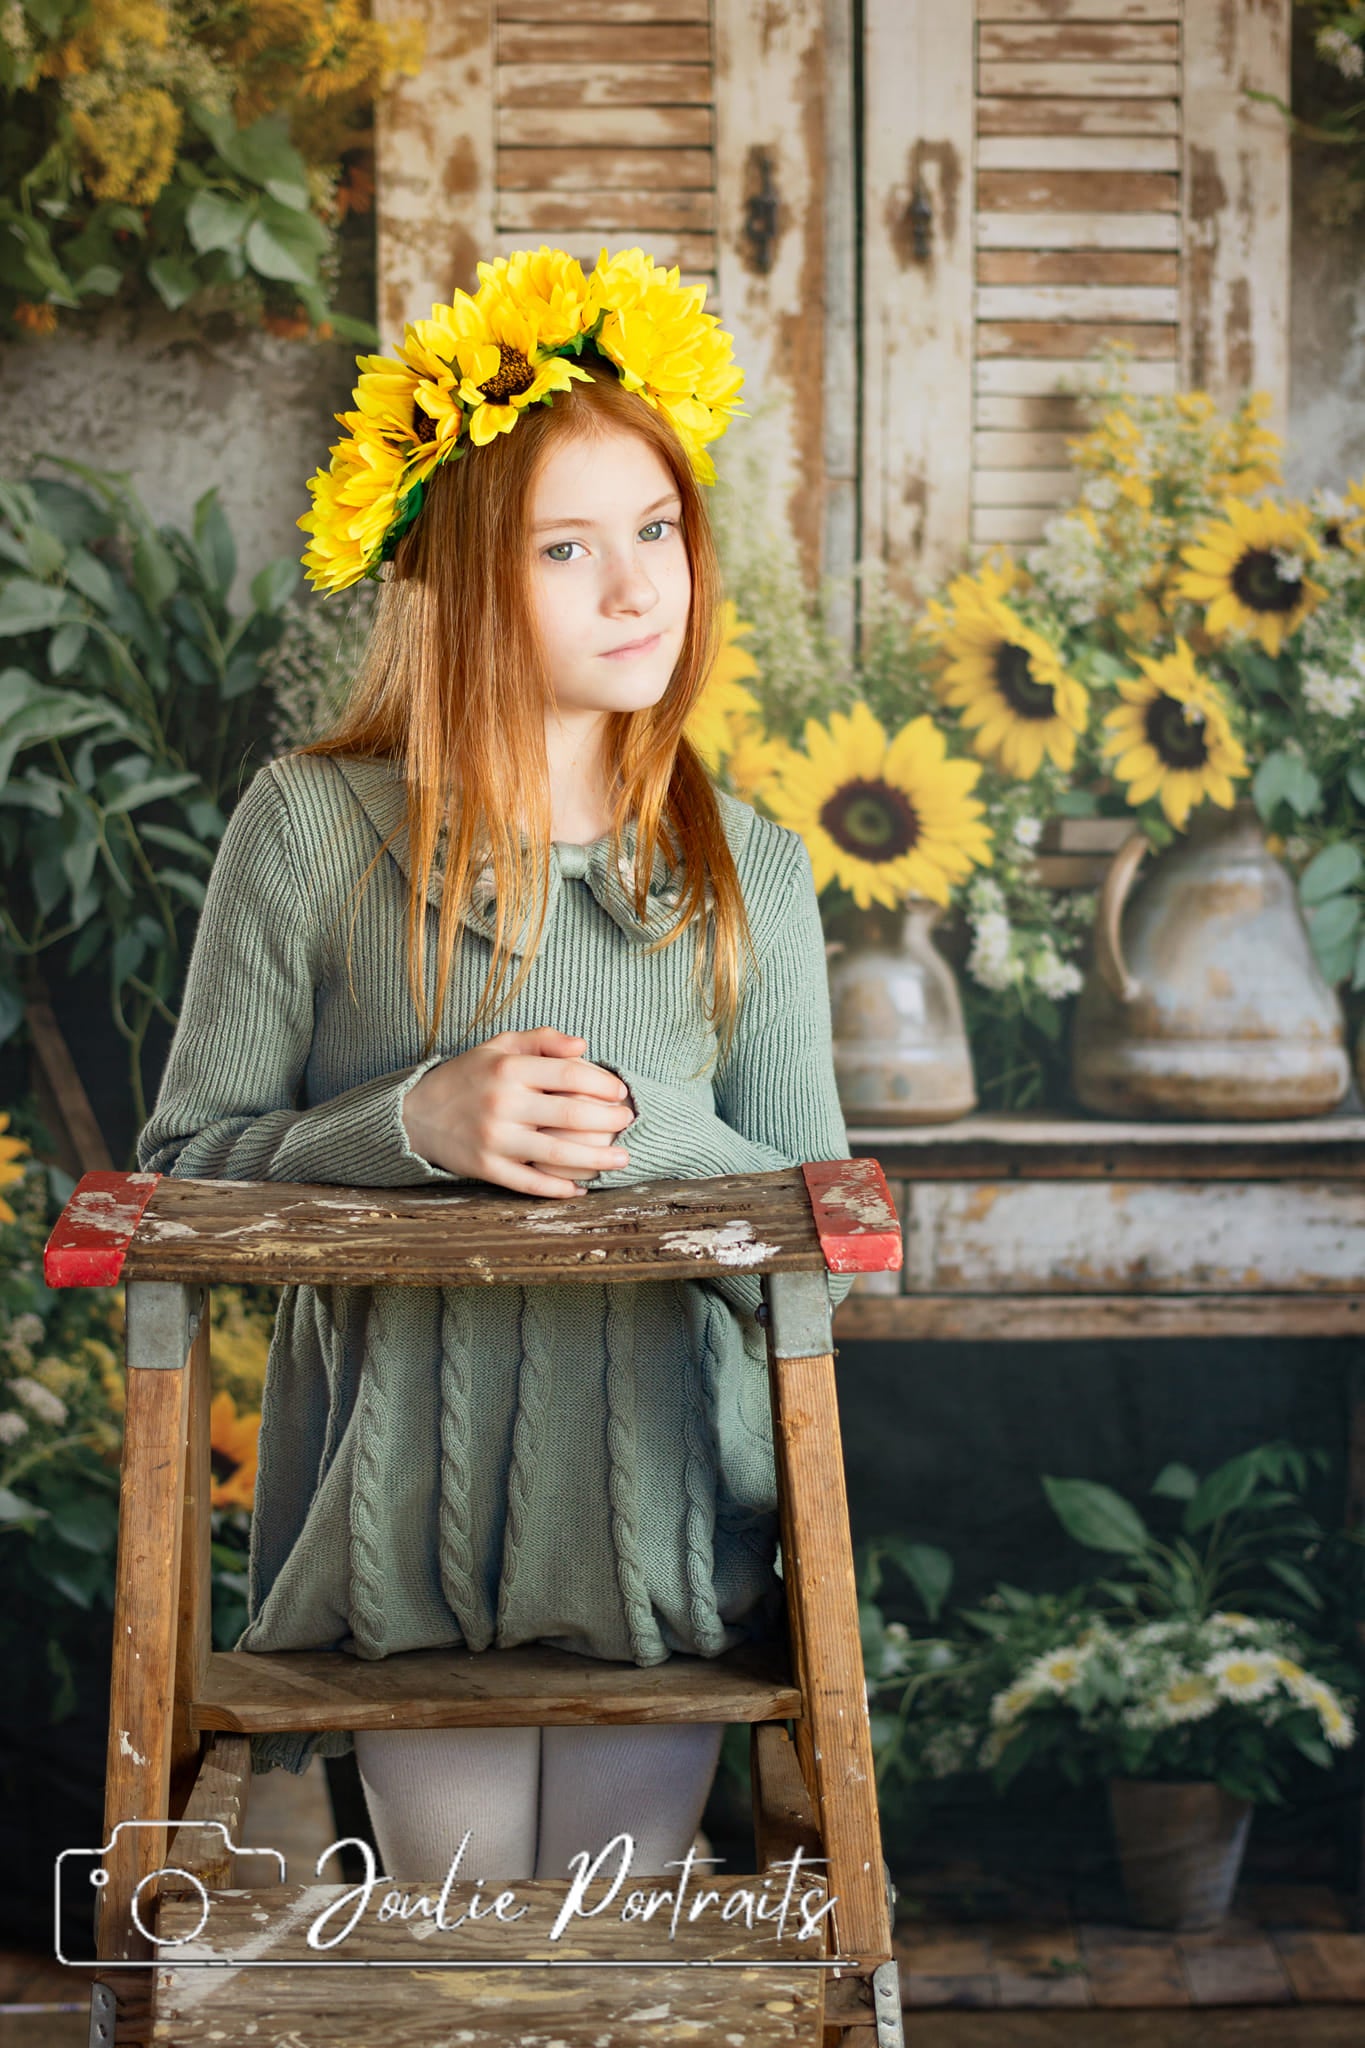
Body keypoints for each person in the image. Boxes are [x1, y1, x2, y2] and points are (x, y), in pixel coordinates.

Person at [136, 245, 856, 1887]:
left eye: (656, 531)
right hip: (400, 1533)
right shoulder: (308, 830)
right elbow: (178, 1171)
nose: (636, 589)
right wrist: (408, 1121)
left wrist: (645, 1132)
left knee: (613, 1949)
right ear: (460, 580)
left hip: (659, 1538)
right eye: (564, 548)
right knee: (453, 1949)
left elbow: (823, 1242)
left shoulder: (751, 867)